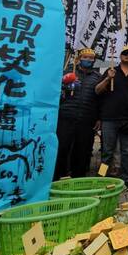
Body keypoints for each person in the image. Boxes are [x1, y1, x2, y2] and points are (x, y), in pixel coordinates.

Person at [95, 47, 128, 192]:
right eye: (125, 53)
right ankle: (102, 177)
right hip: (109, 118)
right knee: (107, 150)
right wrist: (108, 78)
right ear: (120, 56)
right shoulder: (111, 71)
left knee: (127, 151)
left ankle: (127, 179)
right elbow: (97, 90)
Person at [55, 48, 101, 179]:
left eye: (91, 58)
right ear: (79, 59)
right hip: (66, 116)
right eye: (85, 57)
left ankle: (79, 179)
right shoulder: (68, 72)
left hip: (87, 118)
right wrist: (64, 86)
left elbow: (100, 99)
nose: (88, 60)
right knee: (63, 148)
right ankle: (59, 177)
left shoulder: (97, 77)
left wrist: (99, 118)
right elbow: (55, 92)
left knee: (82, 151)